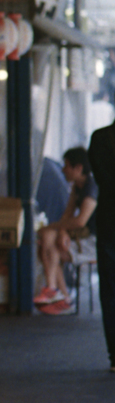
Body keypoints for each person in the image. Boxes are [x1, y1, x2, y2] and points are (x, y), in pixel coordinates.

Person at [34, 147, 98, 316]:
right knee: (48, 240)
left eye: (66, 166)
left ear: (78, 168)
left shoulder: (92, 188)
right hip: (78, 237)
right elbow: (67, 215)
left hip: (92, 241)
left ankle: (59, 294)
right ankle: (56, 292)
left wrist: (54, 228)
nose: (63, 170)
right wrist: (61, 230)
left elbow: (80, 221)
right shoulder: (76, 187)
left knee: (49, 247)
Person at [88, 121, 115, 371]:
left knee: (109, 289)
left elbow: (100, 178)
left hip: (108, 219)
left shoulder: (99, 139)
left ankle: (114, 355)